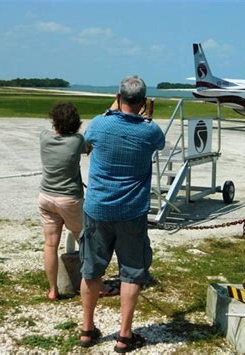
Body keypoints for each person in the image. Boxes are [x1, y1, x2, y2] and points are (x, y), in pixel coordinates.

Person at [79, 76, 165, 352]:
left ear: (118, 97)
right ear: (143, 102)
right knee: (132, 273)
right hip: (131, 210)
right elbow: (158, 144)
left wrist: (113, 107)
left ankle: (87, 329)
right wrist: (146, 117)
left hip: (98, 208)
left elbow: (89, 141)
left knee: (91, 270)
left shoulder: (99, 123)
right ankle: (125, 335)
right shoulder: (150, 131)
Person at [38, 102, 86, 301]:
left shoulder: (44, 138)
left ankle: (53, 290)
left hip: (46, 196)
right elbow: (88, 146)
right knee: (85, 241)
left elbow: (50, 131)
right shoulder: (76, 141)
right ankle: (92, 284)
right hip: (69, 198)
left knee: (50, 245)